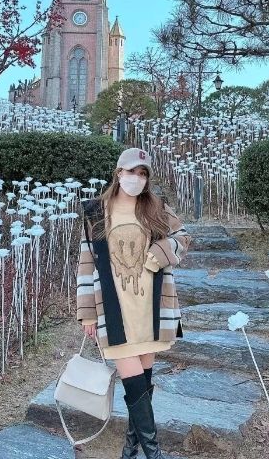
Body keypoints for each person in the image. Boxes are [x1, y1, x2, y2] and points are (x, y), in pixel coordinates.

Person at [77, 147, 191, 459]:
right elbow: (86, 264)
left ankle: (130, 449)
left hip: (150, 309)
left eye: (142, 174)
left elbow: (183, 237)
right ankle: (154, 453)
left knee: (140, 385)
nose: (136, 179)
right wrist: (87, 312)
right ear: (118, 174)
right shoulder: (95, 211)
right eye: (131, 172)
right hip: (114, 310)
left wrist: (161, 252)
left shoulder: (156, 208)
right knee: (132, 378)